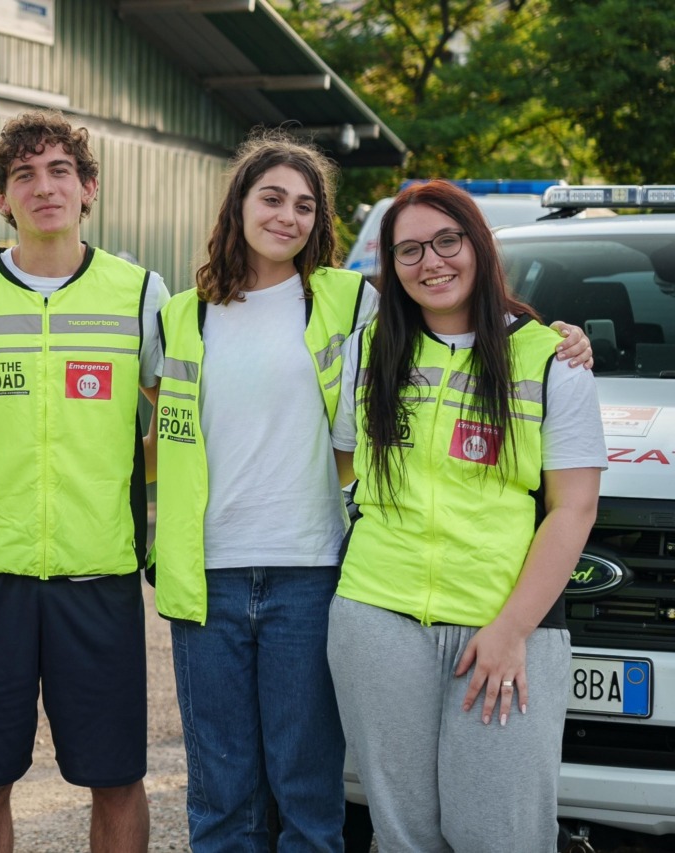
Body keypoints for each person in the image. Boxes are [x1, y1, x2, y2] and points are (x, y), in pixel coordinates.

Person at [147, 135, 593, 853]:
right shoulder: (179, 314)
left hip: (313, 569)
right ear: (237, 204)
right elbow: (157, 429)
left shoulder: (353, 300)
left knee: (309, 796)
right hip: (209, 577)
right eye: (271, 198)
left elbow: (458, 311)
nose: (287, 216)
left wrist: (560, 332)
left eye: (305, 204)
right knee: (221, 794)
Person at [327, 180, 605, 852]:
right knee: (403, 835)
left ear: (477, 245)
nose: (432, 261)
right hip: (377, 616)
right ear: (391, 267)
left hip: (505, 625)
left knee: (500, 832)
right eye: (409, 250)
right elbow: (338, 471)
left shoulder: (548, 359)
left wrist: (511, 629)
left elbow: (575, 507)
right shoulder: (368, 352)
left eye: (447, 240)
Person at [0, 110, 167, 853]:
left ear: (88, 187)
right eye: (23, 174)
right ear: (2, 197)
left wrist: (127, 476)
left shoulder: (139, 293)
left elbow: (181, 412)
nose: (43, 187)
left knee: (118, 774)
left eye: (60, 170)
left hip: (98, 571)